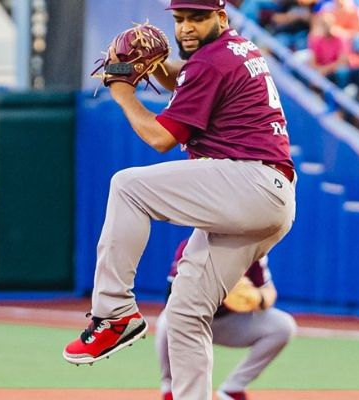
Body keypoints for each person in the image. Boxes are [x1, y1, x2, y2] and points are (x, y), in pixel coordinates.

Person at [63, 1, 297, 399]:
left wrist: (122, 92)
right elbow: (188, 80)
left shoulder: (211, 61)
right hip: (268, 200)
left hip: (249, 181)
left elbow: (159, 138)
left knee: (128, 186)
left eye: (197, 17)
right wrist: (152, 67)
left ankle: (114, 314)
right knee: (186, 313)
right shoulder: (236, 49)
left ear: (220, 18)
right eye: (179, 19)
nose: (186, 27)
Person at [157, 240, 296, 400]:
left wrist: (258, 298)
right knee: (167, 319)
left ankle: (233, 388)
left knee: (283, 326)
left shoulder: (252, 248)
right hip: (194, 320)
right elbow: (170, 296)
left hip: (230, 321)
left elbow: (269, 291)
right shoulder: (193, 245)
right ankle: (171, 388)